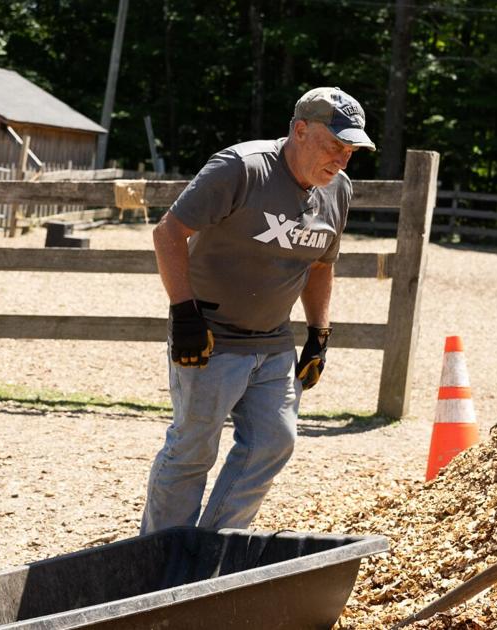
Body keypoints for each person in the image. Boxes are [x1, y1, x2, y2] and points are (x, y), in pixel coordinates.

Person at [141, 87, 375, 534]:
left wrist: (319, 335)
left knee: (273, 442)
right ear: (300, 131)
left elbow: (322, 264)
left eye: (351, 150)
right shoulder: (242, 168)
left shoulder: (337, 191)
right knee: (193, 449)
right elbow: (169, 232)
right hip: (210, 338)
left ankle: (214, 546)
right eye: (334, 145)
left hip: (273, 341)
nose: (342, 159)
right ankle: (158, 556)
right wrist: (185, 315)